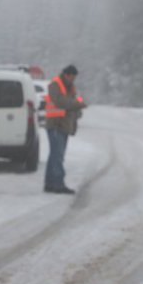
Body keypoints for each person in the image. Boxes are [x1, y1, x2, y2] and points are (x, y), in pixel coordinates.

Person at [42, 64, 86, 194]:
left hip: (64, 125)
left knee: (54, 156)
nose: (73, 79)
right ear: (67, 75)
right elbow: (60, 101)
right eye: (72, 77)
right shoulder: (55, 84)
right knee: (58, 156)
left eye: (75, 77)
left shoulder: (70, 87)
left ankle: (50, 184)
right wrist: (77, 104)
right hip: (55, 125)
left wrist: (78, 110)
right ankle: (58, 184)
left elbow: (72, 103)